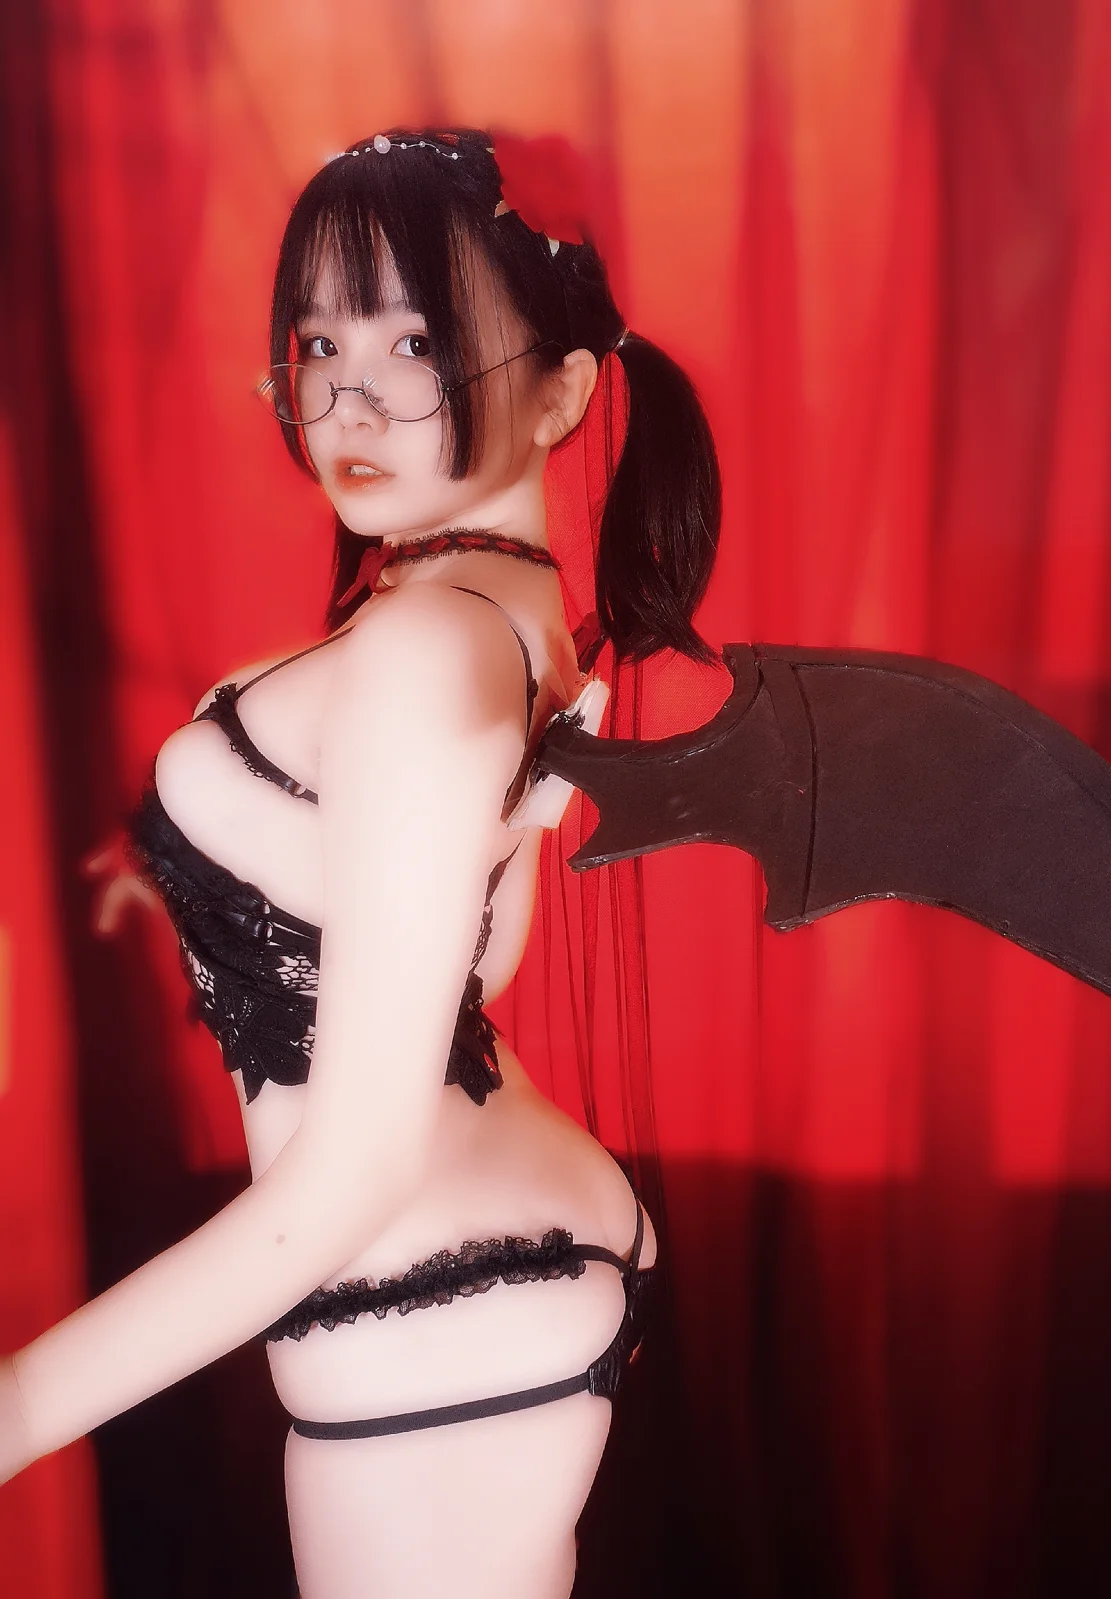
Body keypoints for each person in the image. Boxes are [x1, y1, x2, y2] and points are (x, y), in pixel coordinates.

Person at [0, 127, 719, 1599]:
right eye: (321, 342)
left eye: (416, 342)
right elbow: (476, 967)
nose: (346, 399)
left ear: (564, 391)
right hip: (478, 1284)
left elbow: (355, 1170)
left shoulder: (428, 644)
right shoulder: (500, 613)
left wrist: (16, 1412)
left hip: (424, 1299)